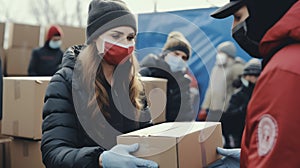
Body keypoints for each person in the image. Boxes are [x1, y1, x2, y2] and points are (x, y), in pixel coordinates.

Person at [41, 0, 158, 168]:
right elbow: (53, 153)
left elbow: (145, 134)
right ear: (95, 38)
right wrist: (100, 159)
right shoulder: (65, 82)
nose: (125, 44)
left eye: (130, 37)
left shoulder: (134, 83)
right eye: (116, 36)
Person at [209, 0, 300, 167]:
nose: (233, 28)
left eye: (238, 17)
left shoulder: (284, 70)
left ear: (263, 9)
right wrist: (252, 153)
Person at [139, 31, 196, 122]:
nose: (179, 59)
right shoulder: (148, 73)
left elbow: (186, 113)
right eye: (176, 54)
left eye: (184, 57)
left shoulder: (184, 82)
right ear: (166, 53)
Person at [198, 41, 244, 121]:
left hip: (227, 109)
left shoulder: (236, 68)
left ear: (229, 55)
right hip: (214, 108)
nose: (218, 55)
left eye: (221, 52)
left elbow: (240, 88)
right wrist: (204, 107)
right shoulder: (216, 68)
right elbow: (210, 89)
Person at [221, 59, 261, 148]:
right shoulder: (238, 95)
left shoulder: (263, 94)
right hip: (240, 135)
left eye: (255, 76)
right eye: (248, 75)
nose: (252, 78)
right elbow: (230, 116)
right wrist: (243, 109)